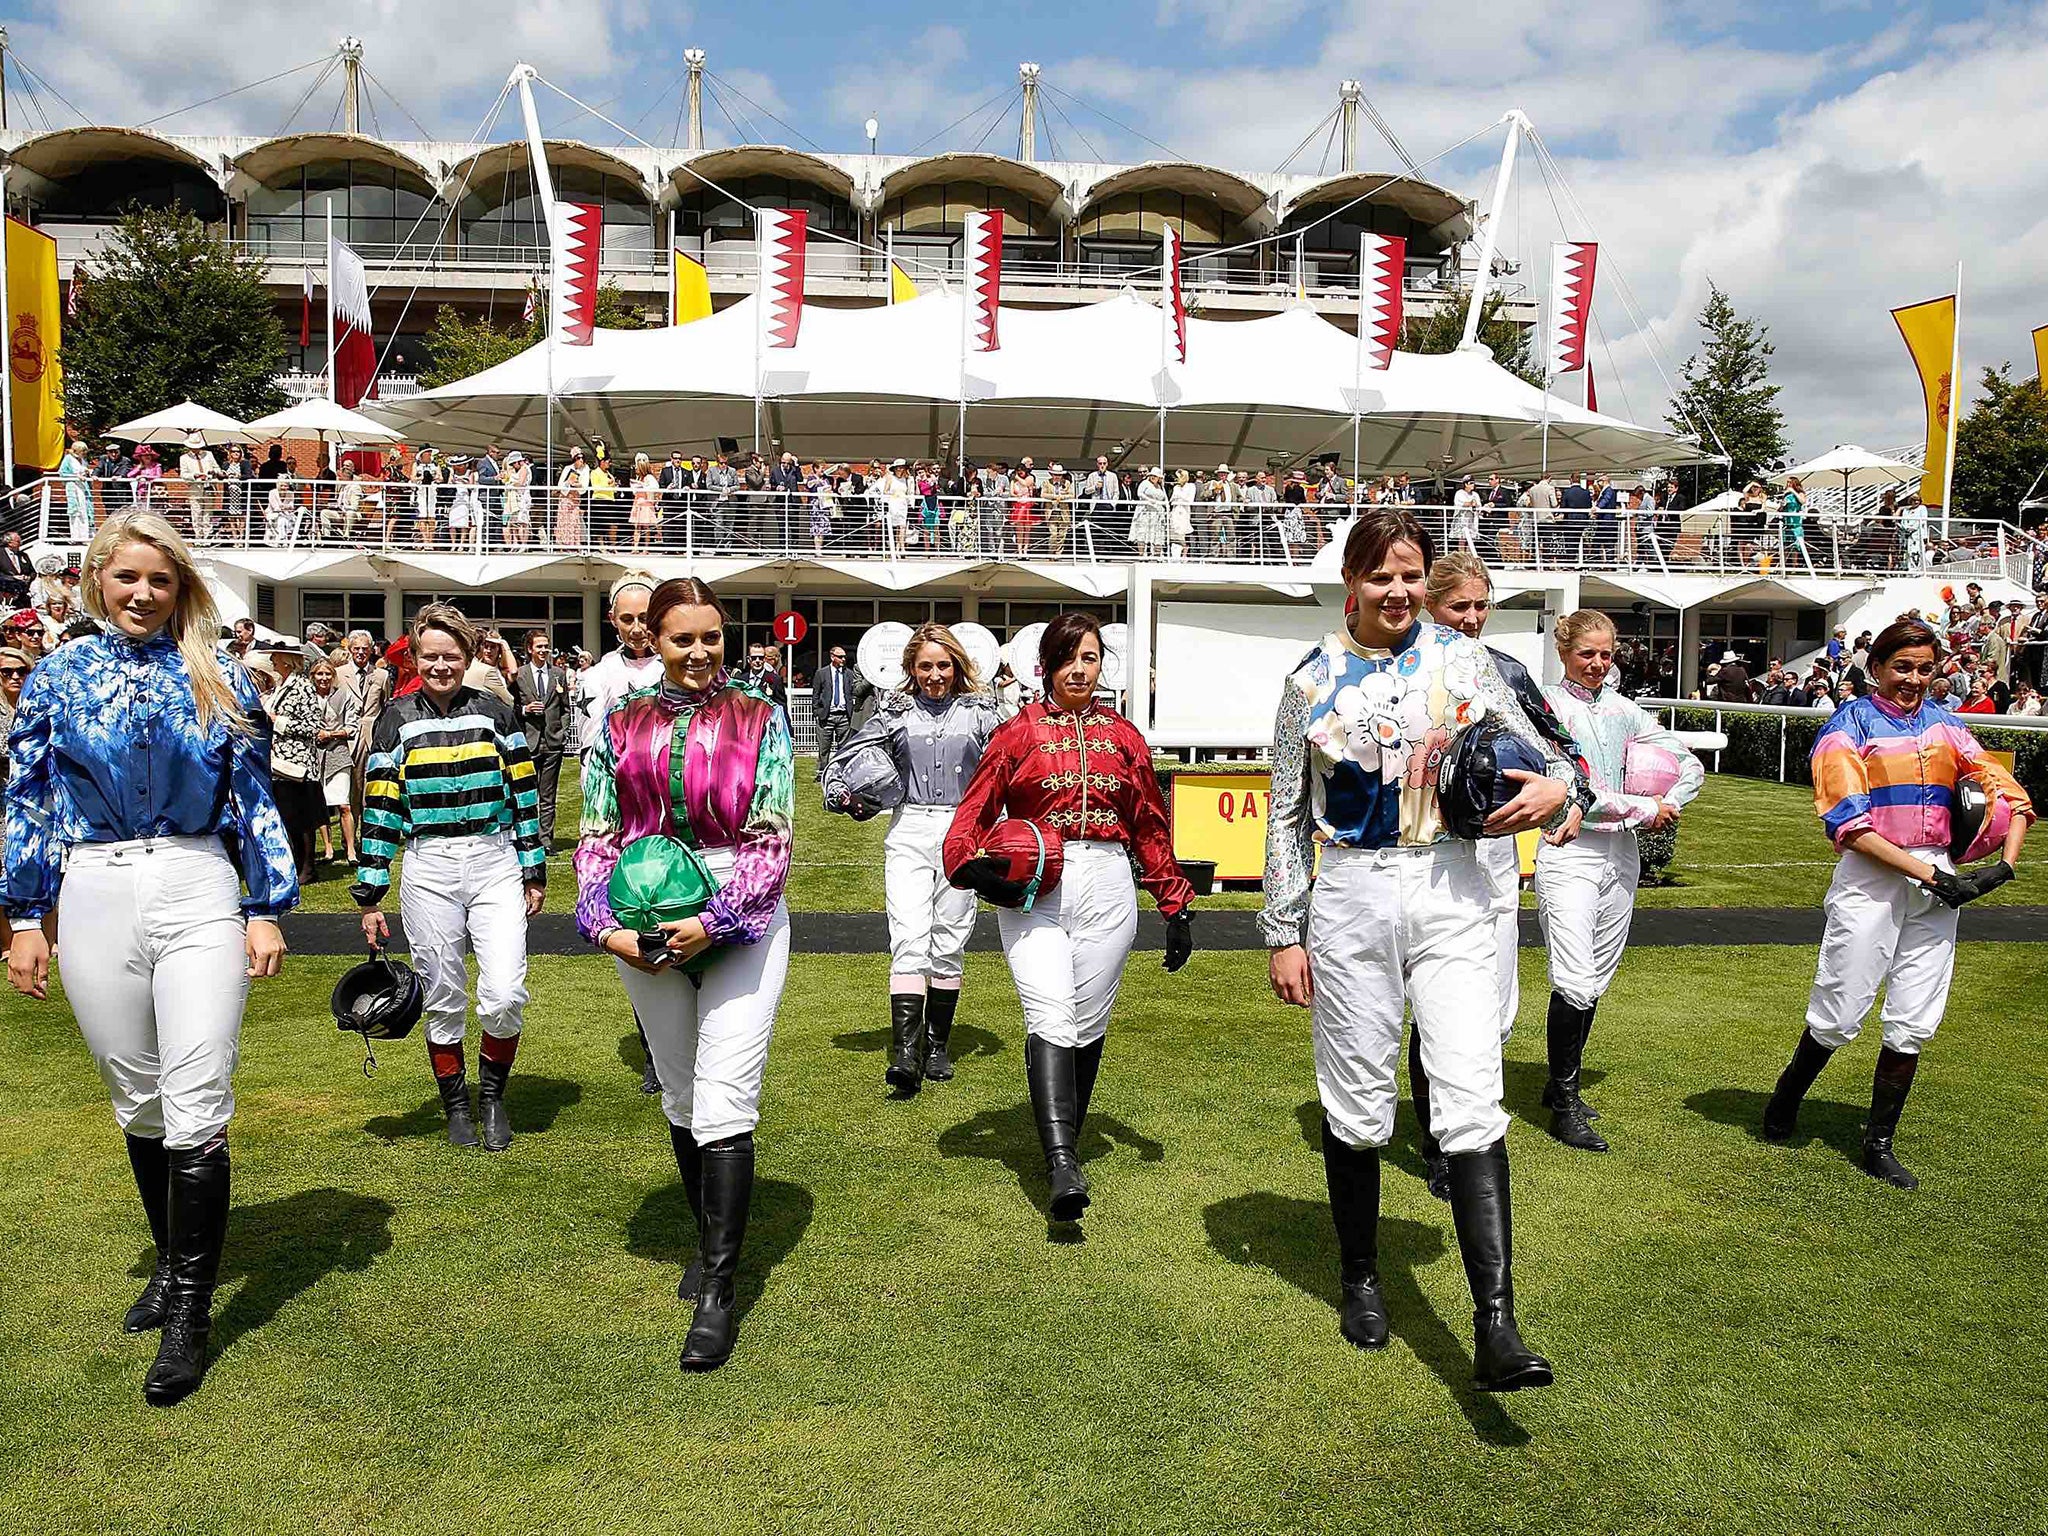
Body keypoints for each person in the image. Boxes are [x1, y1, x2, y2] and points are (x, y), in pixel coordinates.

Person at [1262, 509, 1573, 1390]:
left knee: (1471, 1092)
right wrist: (1285, 929)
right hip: (1354, 891)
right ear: (1350, 582)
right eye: (1380, 576)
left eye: (1410, 574)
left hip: (1461, 889)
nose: (1397, 592)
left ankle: (1497, 1325)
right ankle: (1361, 1276)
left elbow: (1557, 751)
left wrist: (1557, 785)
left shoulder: (1471, 660)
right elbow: (1286, 814)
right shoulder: (1309, 681)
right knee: (1358, 1100)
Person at [3, 510, 296, 1407]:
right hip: (93, 888)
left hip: (197, 883)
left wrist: (266, 906)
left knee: (198, 1089)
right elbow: (30, 795)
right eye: (127, 578)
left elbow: (252, 797)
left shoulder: (221, 677)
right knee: (137, 1095)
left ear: (182, 591)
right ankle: (172, 1264)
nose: (142, 594)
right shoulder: (56, 676)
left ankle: (190, 1316)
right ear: (97, 581)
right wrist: (23, 915)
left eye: (160, 581)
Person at [574, 576, 794, 1371]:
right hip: (642, 915)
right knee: (680, 1089)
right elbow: (597, 832)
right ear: (652, 642)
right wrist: (605, 927)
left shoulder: (761, 717)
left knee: (728, 1089)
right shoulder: (618, 723)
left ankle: (719, 1294)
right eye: (682, 639)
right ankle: (707, 1242)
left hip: (741, 917)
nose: (700, 653)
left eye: (711, 637)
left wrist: (718, 921)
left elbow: (773, 832)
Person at [944, 614, 1196, 1227]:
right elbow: (972, 812)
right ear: (1046, 667)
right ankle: (1061, 1164)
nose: (1080, 669)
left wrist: (1175, 904)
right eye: (1068, 658)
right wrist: (967, 867)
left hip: (1110, 881)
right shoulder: (1015, 735)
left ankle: (1067, 1143)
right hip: (1038, 887)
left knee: (1087, 1022)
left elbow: (1149, 823)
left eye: (1090, 657)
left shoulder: (1126, 738)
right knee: (1049, 1013)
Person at [1764, 619, 2032, 1188]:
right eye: (1901, 667)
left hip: (1937, 876)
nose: (1913, 678)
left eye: (1924, 667)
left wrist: (2004, 866)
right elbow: (1849, 825)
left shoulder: (1947, 725)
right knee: (1841, 1008)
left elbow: (2007, 791)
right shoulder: (1848, 725)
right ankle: (1786, 1097)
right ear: (1877, 668)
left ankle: (1878, 1142)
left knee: (1915, 1015)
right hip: (1874, 875)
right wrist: (1932, 877)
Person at [1419, 552, 1592, 1197]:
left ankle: (1469, 1133)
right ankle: (1440, 1144)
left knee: (1489, 1005)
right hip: (1419, 854)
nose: (1470, 619)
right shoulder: (1404, 672)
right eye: (1457, 606)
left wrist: (1565, 797)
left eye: (1480, 606)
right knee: (1433, 1003)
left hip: (1492, 858)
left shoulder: (1507, 672)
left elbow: (1564, 753)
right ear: (1431, 606)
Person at [355, 604, 547, 1153]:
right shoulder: (395, 719)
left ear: (468, 657)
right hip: (428, 863)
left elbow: (524, 798)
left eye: (451, 656)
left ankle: (493, 1096)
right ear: (415, 658)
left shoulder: (497, 713)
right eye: (430, 656)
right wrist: (371, 894)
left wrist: (534, 869)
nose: (441, 666)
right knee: (442, 993)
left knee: (505, 991)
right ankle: (457, 1106)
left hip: (494, 860)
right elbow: (382, 806)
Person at [1534, 611, 1705, 1153]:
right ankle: (1564, 1104)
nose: (1599, 663)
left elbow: (1689, 764)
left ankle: (1562, 1084)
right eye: (1588, 653)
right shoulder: (1545, 707)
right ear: (1564, 651)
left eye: (1606, 653)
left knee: (1600, 974)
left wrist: (1669, 803)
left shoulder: (1626, 708)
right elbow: (1571, 789)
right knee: (1575, 977)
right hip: (1569, 849)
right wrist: (1644, 806)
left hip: (1620, 851)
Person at [825, 624, 1002, 1094]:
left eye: (943, 665)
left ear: (958, 666)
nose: (935, 675)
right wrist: (843, 793)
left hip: (963, 831)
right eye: (925, 666)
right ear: (910, 668)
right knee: (908, 934)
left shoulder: (983, 712)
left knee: (949, 939)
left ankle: (937, 1043)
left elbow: (1011, 766)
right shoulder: (894, 711)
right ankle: (906, 1053)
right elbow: (843, 759)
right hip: (909, 828)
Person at [579, 572, 667, 1093]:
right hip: (627, 822)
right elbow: (594, 751)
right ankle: (655, 1045)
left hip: (677, 815)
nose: (637, 628)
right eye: (627, 618)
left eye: (644, 617)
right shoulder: (599, 677)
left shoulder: (677, 662)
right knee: (639, 924)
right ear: (612, 620)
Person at [261, 641, 327, 880]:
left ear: (286, 659)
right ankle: (295, 863)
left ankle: (308, 867)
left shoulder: (303, 687)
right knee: (288, 817)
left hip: (298, 764)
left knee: (302, 817)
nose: (271, 662)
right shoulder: (281, 686)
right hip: (279, 762)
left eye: (275, 657)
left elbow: (312, 727)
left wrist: (277, 721)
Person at [513, 630, 573, 846]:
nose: (544, 650)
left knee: (548, 795)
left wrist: (563, 731)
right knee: (526, 794)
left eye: (546, 646)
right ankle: (527, 838)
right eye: (539, 646)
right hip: (529, 742)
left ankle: (546, 839)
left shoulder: (558, 674)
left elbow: (566, 708)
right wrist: (525, 710)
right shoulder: (519, 675)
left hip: (553, 742)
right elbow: (510, 707)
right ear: (530, 649)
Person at [312, 658, 361, 867]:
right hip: (314, 754)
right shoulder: (307, 696)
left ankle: (350, 850)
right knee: (320, 804)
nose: (324, 678)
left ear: (333, 676)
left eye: (327, 674)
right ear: (313, 676)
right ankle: (328, 849)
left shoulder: (344, 695)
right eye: (319, 674)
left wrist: (331, 734)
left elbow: (352, 726)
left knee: (344, 804)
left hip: (338, 752)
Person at [810, 643, 869, 779]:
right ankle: (822, 773)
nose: (843, 659)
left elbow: (854, 691)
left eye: (844, 657)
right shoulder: (822, 673)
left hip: (844, 716)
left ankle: (841, 772)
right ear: (832, 657)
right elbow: (816, 694)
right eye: (840, 657)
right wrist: (817, 711)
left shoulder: (848, 674)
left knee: (843, 747)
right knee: (824, 748)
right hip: (827, 715)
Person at [61, 438, 95, 543]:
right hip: (74, 487)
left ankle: (86, 536)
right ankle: (76, 536)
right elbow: (62, 473)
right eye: (83, 451)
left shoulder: (83, 460)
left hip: (83, 487)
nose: (84, 453)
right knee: (76, 511)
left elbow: (84, 470)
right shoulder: (68, 459)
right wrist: (76, 476)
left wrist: (88, 473)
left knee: (85, 510)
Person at [1130, 468, 1168, 558]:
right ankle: (1142, 555)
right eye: (1152, 476)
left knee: (1157, 533)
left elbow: (1165, 498)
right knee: (1142, 532)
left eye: (1156, 476)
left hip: (1157, 513)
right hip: (1145, 511)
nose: (1154, 478)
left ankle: (1157, 555)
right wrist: (1149, 500)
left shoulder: (1160, 486)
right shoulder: (1145, 483)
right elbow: (1140, 493)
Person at [555, 448, 589, 548]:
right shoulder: (567, 468)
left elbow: (584, 487)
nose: (581, 460)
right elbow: (560, 485)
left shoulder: (585, 469)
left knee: (574, 521)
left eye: (583, 458)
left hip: (575, 498)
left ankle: (574, 544)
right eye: (578, 458)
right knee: (564, 520)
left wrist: (578, 485)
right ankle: (564, 544)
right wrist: (568, 483)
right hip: (565, 497)